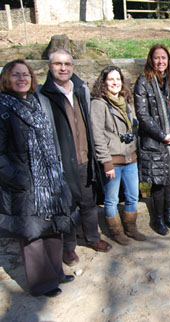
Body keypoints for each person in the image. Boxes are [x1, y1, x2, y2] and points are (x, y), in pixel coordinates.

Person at [0, 60, 75, 297]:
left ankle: (56, 273)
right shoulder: (3, 108)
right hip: (23, 182)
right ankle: (42, 283)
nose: (22, 79)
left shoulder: (34, 103)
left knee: (53, 226)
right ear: (6, 79)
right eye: (16, 75)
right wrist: (19, 178)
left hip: (49, 179)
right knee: (32, 232)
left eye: (26, 74)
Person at [38, 49, 112, 267]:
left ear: (73, 67)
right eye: (58, 64)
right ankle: (68, 247)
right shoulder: (44, 96)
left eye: (67, 64)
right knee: (67, 207)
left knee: (89, 203)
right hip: (62, 162)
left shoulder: (81, 89)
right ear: (50, 67)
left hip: (85, 159)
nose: (63, 68)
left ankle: (92, 237)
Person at [134, 44, 170, 236]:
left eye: (164, 58)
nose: (160, 61)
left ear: (168, 61)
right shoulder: (143, 81)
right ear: (151, 59)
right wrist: (162, 135)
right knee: (158, 181)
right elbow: (142, 114)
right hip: (155, 141)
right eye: (157, 58)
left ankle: (169, 215)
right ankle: (157, 219)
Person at [90, 66, 146, 245]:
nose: (115, 83)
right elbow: (97, 135)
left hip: (130, 157)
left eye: (118, 79)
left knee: (132, 196)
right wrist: (106, 162)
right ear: (103, 82)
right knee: (112, 199)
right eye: (111, 79)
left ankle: (131, 228)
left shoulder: (125, 101)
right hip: (112, 160)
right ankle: (116, 232)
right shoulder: (98, 104)